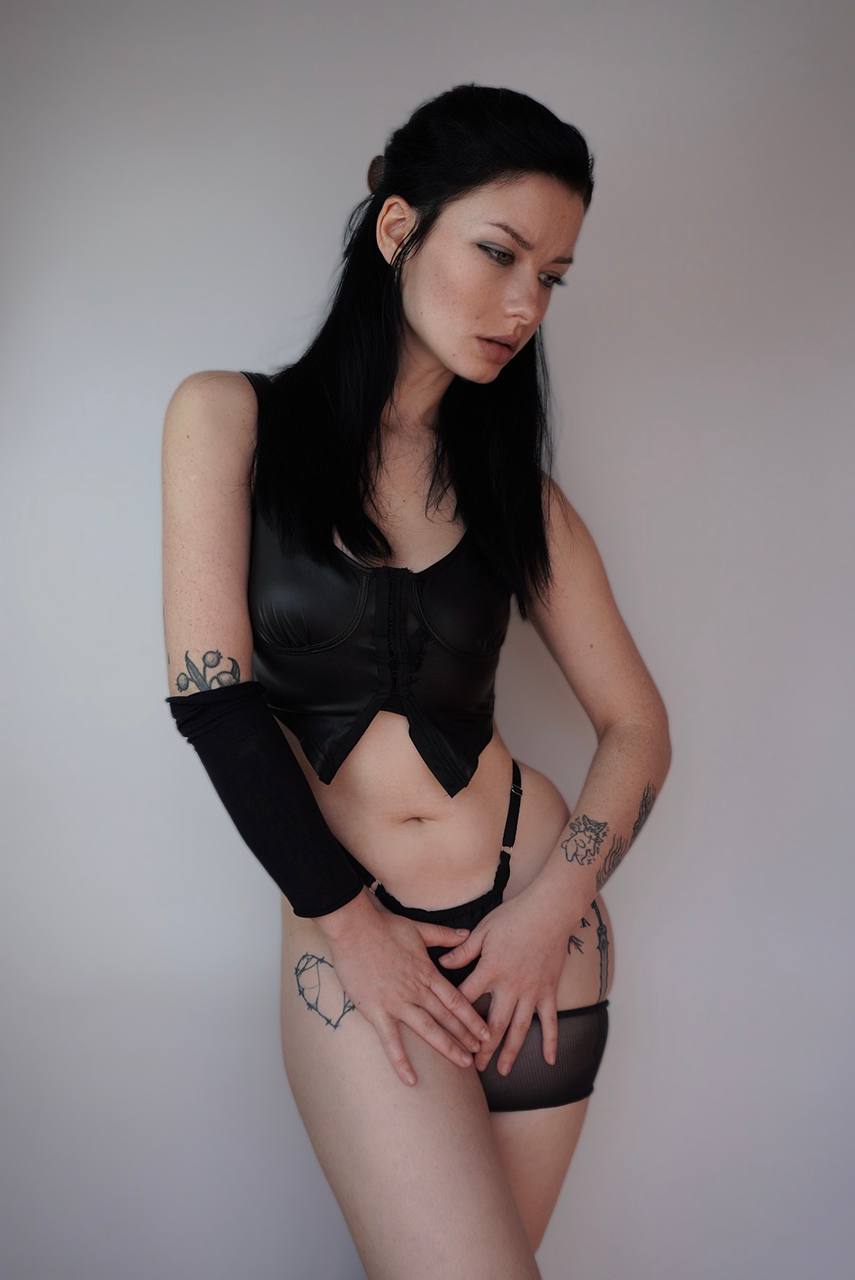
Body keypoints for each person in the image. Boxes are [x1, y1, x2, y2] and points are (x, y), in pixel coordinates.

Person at [162, 82, 671, 1278]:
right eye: (500, 252)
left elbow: (637, 725)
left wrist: (548, 909)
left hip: (537, 927)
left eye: (552, 276)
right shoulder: (225, 418)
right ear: (399, 225)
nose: (525, 304)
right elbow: (216, 706)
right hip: (356, 938)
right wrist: (353, 927)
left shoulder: (516, 499)